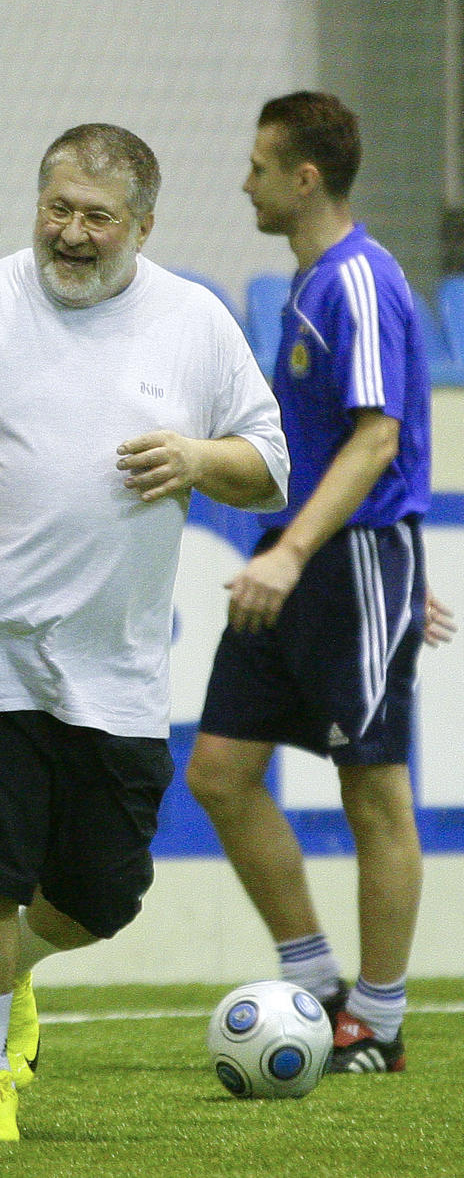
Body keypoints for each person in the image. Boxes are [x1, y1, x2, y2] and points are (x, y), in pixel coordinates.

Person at [0, 122, 290, 1142]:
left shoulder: (193, 321)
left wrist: (197, 456)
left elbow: (267, 463)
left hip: (119, 667)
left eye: (99, 217)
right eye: (58, 207)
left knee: (102, 892)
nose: (73, 232)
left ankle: (15, 969)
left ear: (143, 225)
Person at [186, 91, 437, 1075]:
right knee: (218, 770)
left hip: (338, 557)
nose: (243, 181)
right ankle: (319, 984)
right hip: (312, 557)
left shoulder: (360, 282)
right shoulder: (310, 285)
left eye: (256, 165)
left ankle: (376, 1021)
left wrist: (325, 556)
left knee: (373, 788)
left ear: (302, 177)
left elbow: (380, 437)